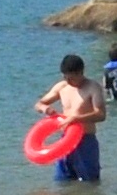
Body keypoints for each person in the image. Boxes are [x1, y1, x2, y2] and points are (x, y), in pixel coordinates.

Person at [35, 53, 107, 183]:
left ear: (80, 73)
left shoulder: (93, 87)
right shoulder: (62, 86)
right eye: (65, 77)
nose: (68, 81)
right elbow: (39, 103)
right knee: (62, 181)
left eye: (71, 78)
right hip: (65, 141)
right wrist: (45, 109)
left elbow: (101, 115)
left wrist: (75, 119)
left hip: (86, 140)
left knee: (90, 182)